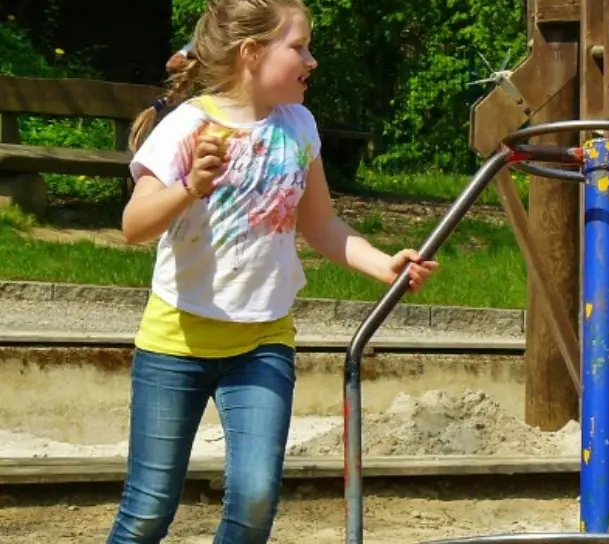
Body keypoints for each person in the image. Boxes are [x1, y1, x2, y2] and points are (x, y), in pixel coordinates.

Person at [106, 0, 438, 542]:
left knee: (257, 500)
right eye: (299, 46)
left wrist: (385, 264)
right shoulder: (188, 126)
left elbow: (323, 225)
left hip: (263, 342)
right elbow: (134, 226)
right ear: (251, 53)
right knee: (147, 510)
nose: (312, 59)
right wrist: (189, 187)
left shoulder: (298, 127)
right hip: (175, 343)